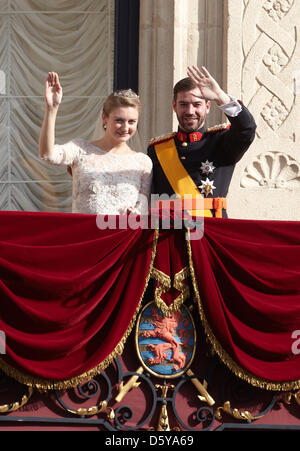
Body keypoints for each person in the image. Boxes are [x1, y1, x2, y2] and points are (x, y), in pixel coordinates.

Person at [147, 65, 257, 218]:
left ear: (207, 107)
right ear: (174, 106)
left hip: (211, 232)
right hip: (169, 235)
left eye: (197, 104)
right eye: (183, 104)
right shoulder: (157, 149)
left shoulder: (222, 142)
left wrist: (220, 96)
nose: (190, 111)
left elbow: (247, 129)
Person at [39, 72, 152, 215]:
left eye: (131, 122)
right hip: (86, 234)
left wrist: (135, 213)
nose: (125, 128)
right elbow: (47, 154)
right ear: (104, 118)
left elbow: (143, 206)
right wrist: (51, 109)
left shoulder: (143, 162)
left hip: (121, 235)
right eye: (119, 120)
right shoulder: (80, 149)